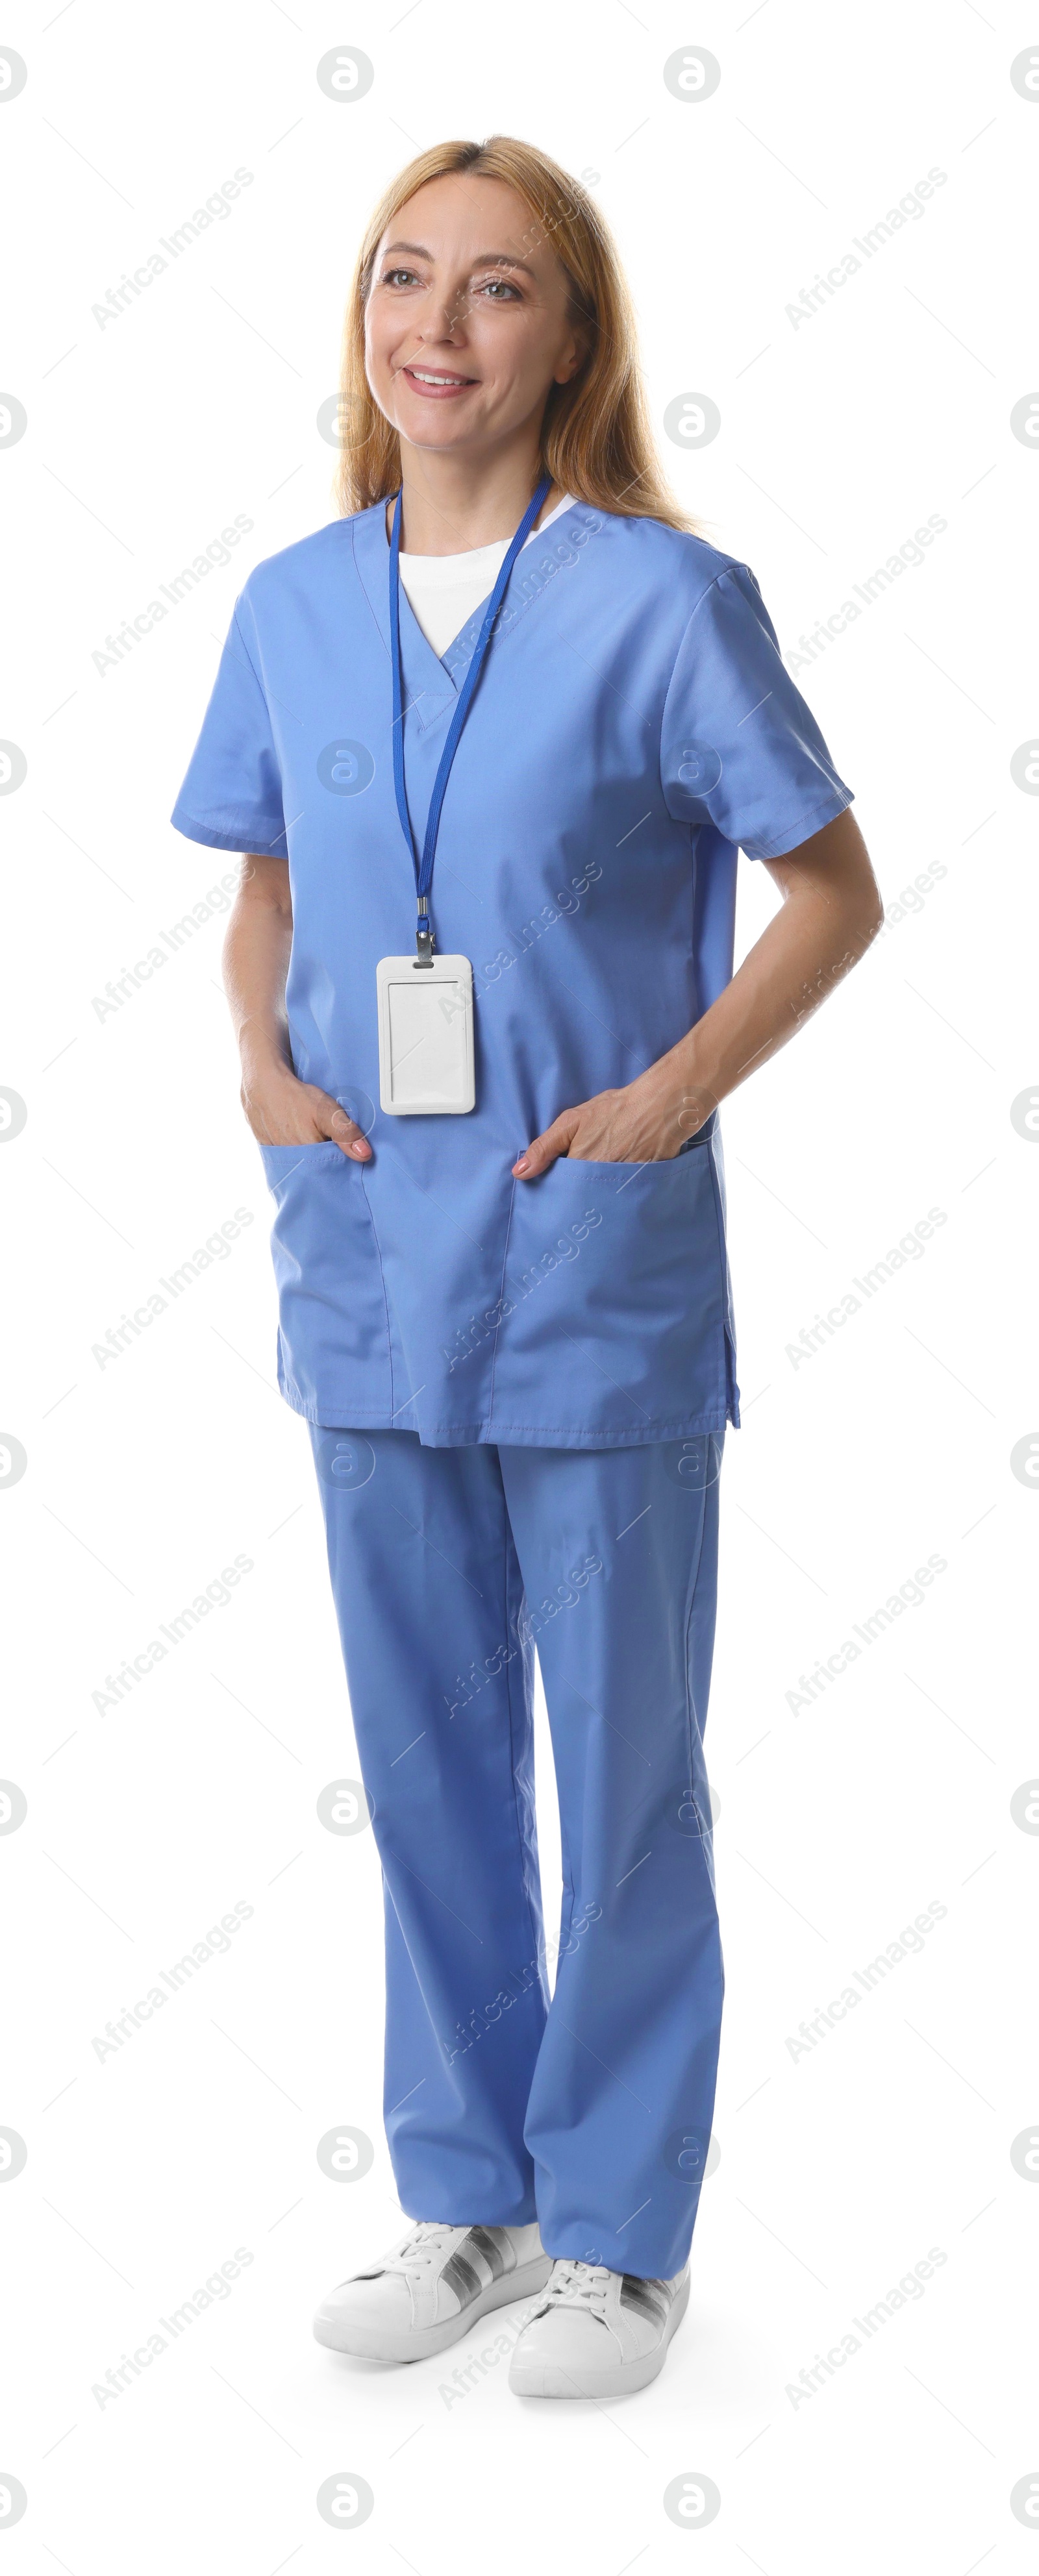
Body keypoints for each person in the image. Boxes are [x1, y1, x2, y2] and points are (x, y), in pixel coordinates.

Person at [171, 134, 881, 2401]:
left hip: (589, 1260)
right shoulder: (294, 599)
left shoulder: (666, 602)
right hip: (367, 1245)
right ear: (361, 320)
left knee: (626, 1757)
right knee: (430, 1746)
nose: (440, 331)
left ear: (572, 337)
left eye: (497, 291)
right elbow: (266, 874)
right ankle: (462, 2198)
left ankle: (618, 2235)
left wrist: (679, 1092)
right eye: (406, 280)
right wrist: (261, 1070)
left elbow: (835, 892)